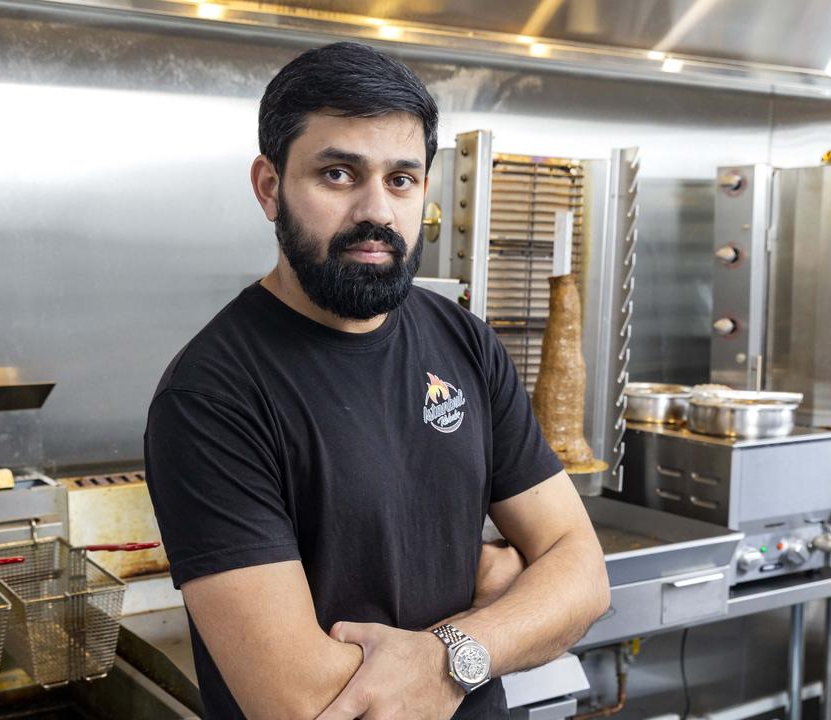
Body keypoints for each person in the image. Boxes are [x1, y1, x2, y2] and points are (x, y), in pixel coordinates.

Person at [144, 41, 610, 720]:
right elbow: (301, 701)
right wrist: (511, 612)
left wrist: (452, 652)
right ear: (270, 187)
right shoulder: (213, 395)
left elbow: (583, 573)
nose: (377, 212)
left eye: (401, 179)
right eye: (337, 174)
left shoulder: (464, 341)